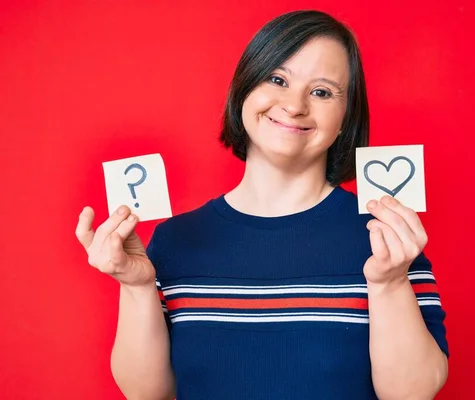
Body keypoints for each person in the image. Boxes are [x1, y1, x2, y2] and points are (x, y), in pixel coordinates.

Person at [75, 9, 448, 400]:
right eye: (277, 79)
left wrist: (389, 283)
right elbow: (149, 395)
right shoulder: (174, 240)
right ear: (244, 91)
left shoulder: (387, 241)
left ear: (345, 119)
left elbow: (412, 393)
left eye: (321, 92)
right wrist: (136, 288)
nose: (295, 105)